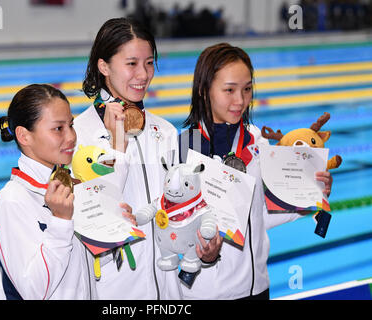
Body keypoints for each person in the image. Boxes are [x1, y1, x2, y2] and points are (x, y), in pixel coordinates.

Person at [73, 17, 220, 300]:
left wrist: (205, 249)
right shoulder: (79, 135)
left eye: (149, 63)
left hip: (170, 292)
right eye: (131, 63)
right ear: (104, 66)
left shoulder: (163, 130)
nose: (143, 74)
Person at [178, 43, 333, 300]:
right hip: (209, 294)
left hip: (258, 287)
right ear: (205, 91)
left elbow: (261, 214)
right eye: (229, 90)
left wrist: (310, 194)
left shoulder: (256, 140)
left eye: (247, 89)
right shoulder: (185, 148)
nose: (240, 101)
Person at [0, 84, 97, 300]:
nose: (71, 137)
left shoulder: (68, 185)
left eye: (71, 125)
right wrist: (61, 221)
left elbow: (82, 269)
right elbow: (33, 291)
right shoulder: (12, 201)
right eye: (58, 128)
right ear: (24, 136)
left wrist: (116, 227)